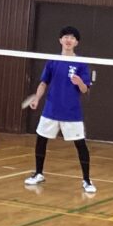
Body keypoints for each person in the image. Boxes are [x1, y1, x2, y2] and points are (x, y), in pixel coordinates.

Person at [24, 26, 96, 194]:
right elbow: (44, 83)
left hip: (71, 112)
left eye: (72, 38)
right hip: (51, 109)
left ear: (76, 42)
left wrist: (79, 82)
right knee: (41, 140)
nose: (68, 40)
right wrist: (37, 98)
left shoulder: (81, 63)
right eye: (66, 37)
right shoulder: (52, 61)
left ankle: (87, 180)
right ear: (60, 40)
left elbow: (85, 89)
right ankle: (38, 173)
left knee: (80, 145)